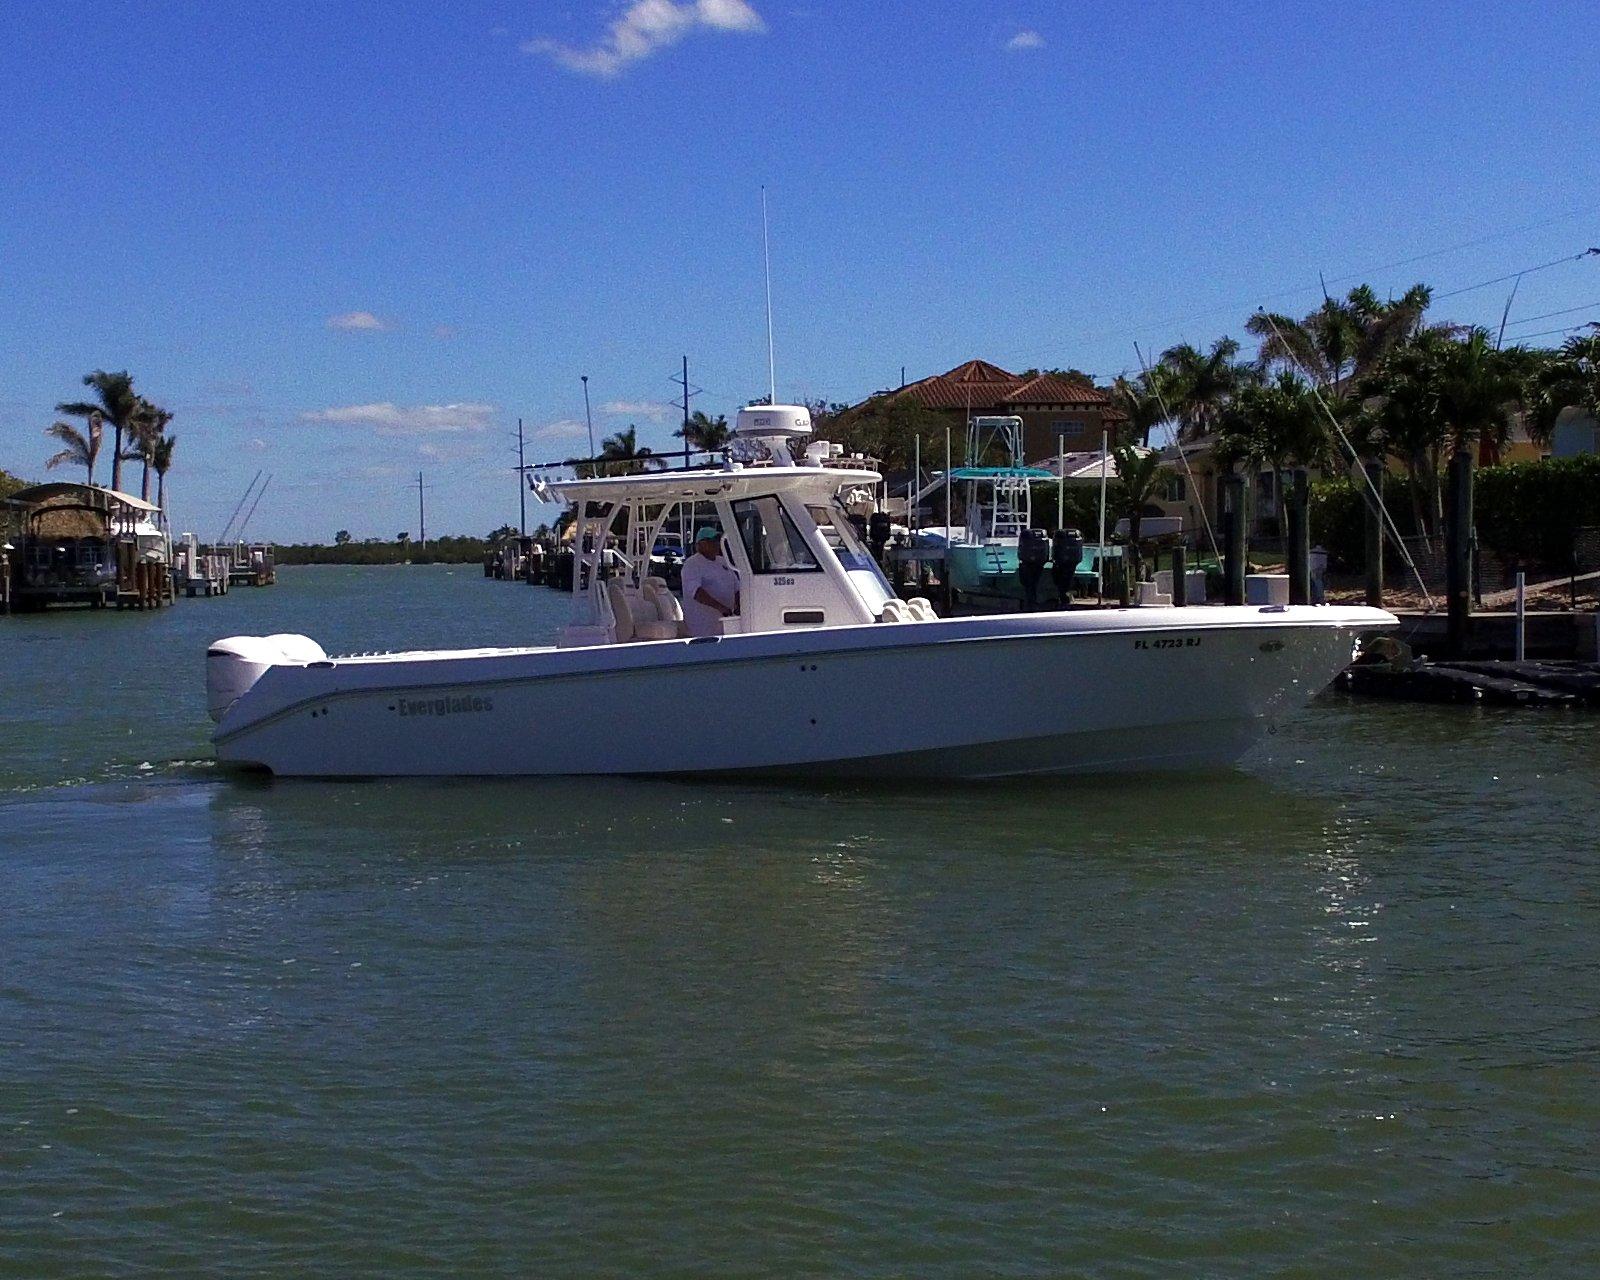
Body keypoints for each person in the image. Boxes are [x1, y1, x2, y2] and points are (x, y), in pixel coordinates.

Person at [680, 526, 740, 637]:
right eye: (713, 541)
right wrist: (721, 608)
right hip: (702, 631)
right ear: (701, 544)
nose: (717, 544)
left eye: (718, 540)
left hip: (727, 627)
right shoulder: (692, 564)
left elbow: (737, 587)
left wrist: (737, 607)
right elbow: (696, 593)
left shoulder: (723, 561)